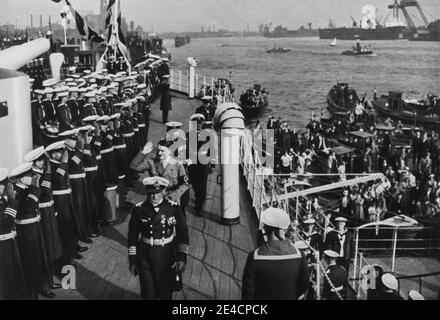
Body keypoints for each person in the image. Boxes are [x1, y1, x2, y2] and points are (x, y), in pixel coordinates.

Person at [128, 176, 189, 300]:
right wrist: (133, 260)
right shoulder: (139, 209)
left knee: (165, 294)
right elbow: (132, 236)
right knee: (148, 294)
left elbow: (183, 233)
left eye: (157, 193)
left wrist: (182, 257)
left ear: (163, 191)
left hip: (166, 256)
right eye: (151, 193)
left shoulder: (173, 208)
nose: (154, 197)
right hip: (145, 256)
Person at [10, 162, 55, 299]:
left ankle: (42, 285)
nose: (33, 177)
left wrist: (34, 187)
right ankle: (33, 292)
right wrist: (35, 187)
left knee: (39, 259)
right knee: (31, 262)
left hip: (33, 227)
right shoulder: (16, 192)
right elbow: (29, 207)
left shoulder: (26, 189)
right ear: (21, 178)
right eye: (30, 175)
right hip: (25, 232)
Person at [242, 207, 309, 300]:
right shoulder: (299, 254)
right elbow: (304, 284)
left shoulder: (254, 257)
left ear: (267, 230)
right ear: (281, 231)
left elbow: (248, 293)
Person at [24, 146, 63, 289]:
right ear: (34, 163)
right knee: (48, 245)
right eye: (40, 161)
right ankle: (48, 279)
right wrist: (47, 172)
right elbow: (45, 190)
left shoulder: (40, 173)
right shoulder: (35, 175)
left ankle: (54, 274)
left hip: (49, 210)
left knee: (53, 243)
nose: (43, 163)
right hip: (43, 213)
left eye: (43, 160)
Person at [0, 168, 28, 299]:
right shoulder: (5, 200)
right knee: (7, 280)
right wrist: (12, 200)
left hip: (7, 242)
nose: (3, 187)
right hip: (2, 246)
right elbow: (5, 223)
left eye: (3, 184)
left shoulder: (2, 200)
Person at [186, 114, 210, 216]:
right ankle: (197, 205)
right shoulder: (189, 136)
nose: (199, 126)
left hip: (203, 166)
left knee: (202, 190)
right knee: (196, 188)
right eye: (197, 124)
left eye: (200, 123)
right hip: (193, 165)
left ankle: (198, 209)